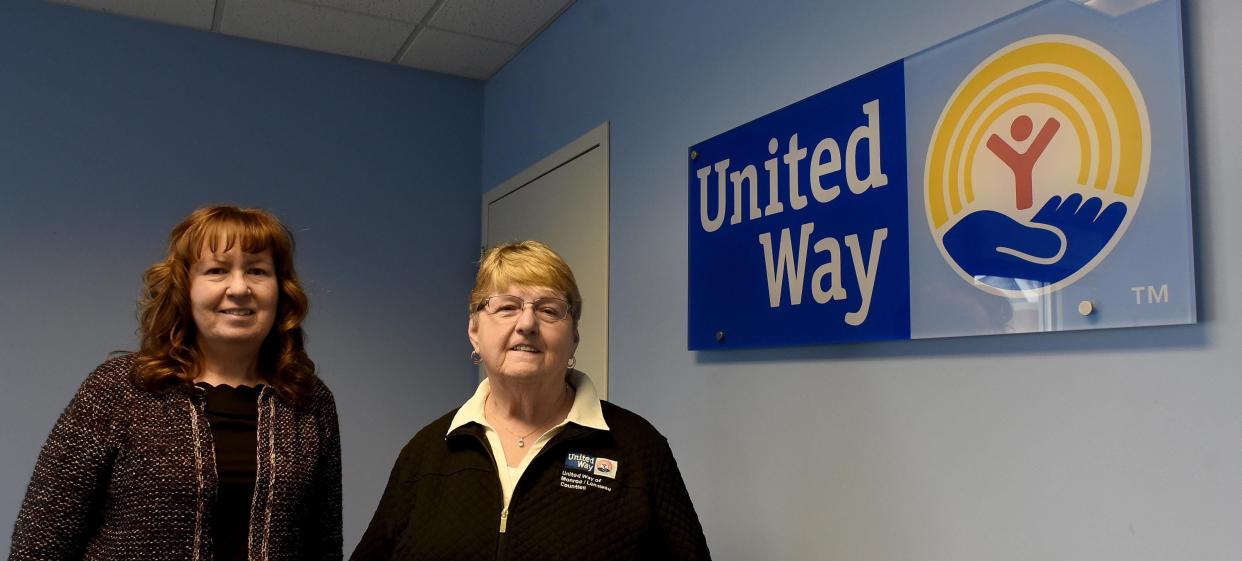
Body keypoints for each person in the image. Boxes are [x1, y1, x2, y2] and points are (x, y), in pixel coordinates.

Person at [9, 205, 341, 561]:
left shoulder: (308, 400)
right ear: (185, 288)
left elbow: (324, 548)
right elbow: (40, 544)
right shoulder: (120, 389)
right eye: (217, 271)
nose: (240, 288)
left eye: (258, 271)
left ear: (280, 289)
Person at [352, 241, 710, 561]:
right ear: (475, 333)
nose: (527, 323)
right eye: (507, 307)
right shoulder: (426, 452)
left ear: (573, 338)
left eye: (549, 310)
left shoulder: (638, 449)